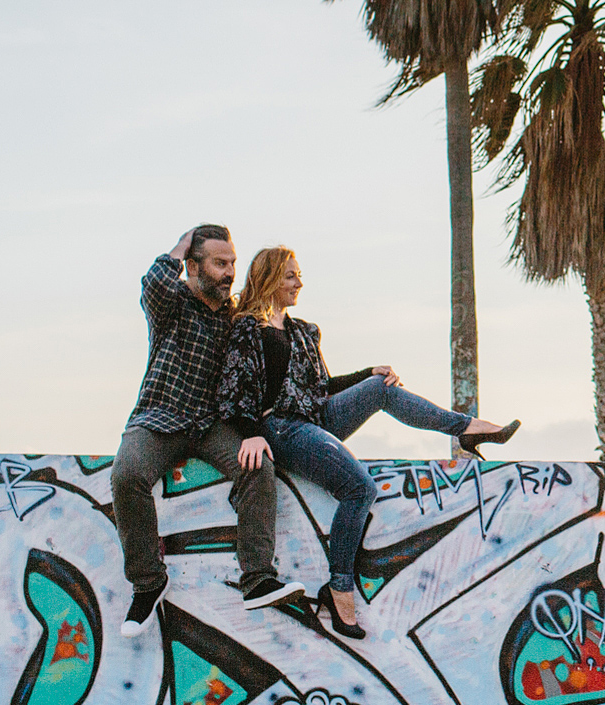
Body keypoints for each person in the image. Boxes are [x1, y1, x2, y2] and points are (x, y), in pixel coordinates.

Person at [219, 245, 520, 638]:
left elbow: (321, 386)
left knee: (381, 386)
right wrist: (252, 432)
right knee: (359, 488)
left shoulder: (303, 331)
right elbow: (233, 391)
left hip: (314, 416)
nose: (299, 282)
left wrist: (366, 373)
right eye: (291, 275)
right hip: (281, 428)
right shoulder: (246, 328)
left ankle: (465, 428)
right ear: (271, 278)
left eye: (299, 274)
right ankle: (339, 588)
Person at [111, 226, 306, 639]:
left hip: (211, 423)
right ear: (193, 266)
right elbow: (153, 282)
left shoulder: (234, 315)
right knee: (127, 475)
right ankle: (148, 583)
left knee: (257, 467)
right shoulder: (172, 302)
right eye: (220, 264)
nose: (229, 272)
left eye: (232, 263)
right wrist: (183, 244)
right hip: (160, 417)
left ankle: (257, 579)